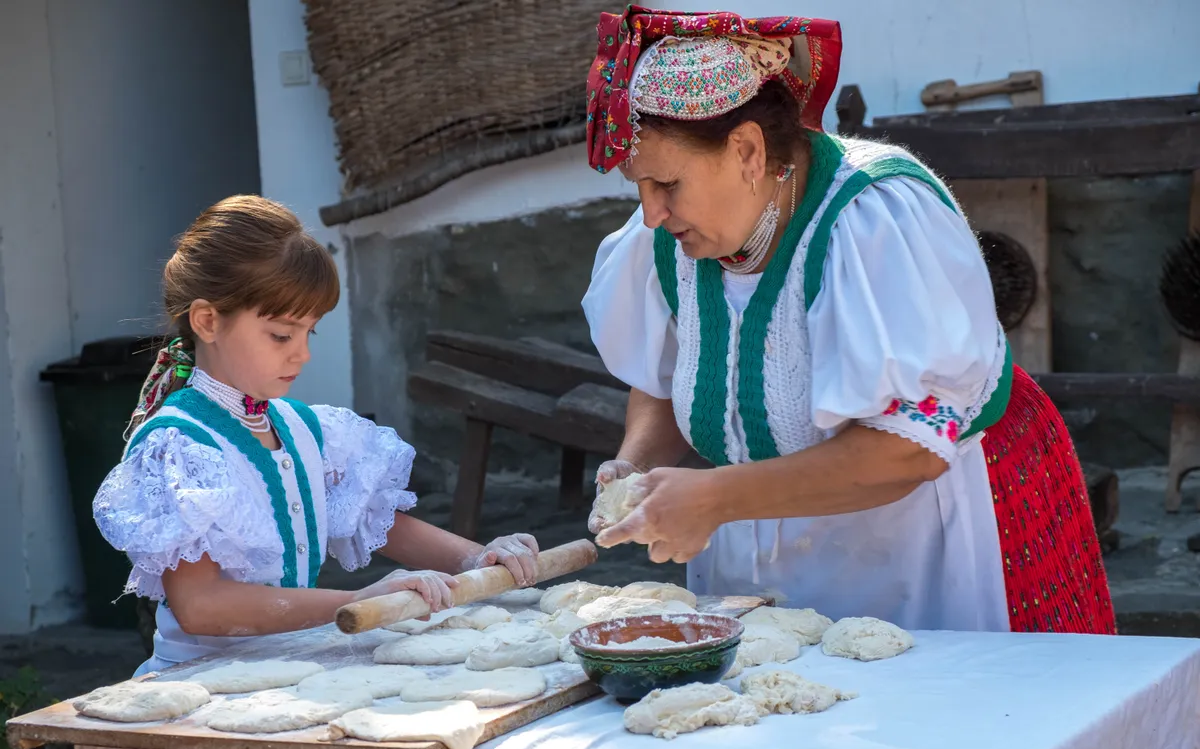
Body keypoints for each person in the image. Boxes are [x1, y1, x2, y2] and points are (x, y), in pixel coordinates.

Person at [581, 7, 1114, 634]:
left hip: (929, 537)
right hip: (757, 548)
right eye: (637, 186)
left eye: (666, 184)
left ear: (748, 149)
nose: (649, 213)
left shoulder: (874, 219)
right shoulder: (671, 240)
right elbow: (671, 373)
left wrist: (715, 497)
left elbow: (909, 451)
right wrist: (635, 465)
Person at [94, 195, 540, 676]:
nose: (301, 355)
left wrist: (477, 557)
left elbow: (374, 520)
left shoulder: (302, 428)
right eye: (282, 336)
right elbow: (202, 605)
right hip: (199, 685)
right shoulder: (182, 445)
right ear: (207, 321)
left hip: (286, 671)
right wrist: (354, 601)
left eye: (311, 333)